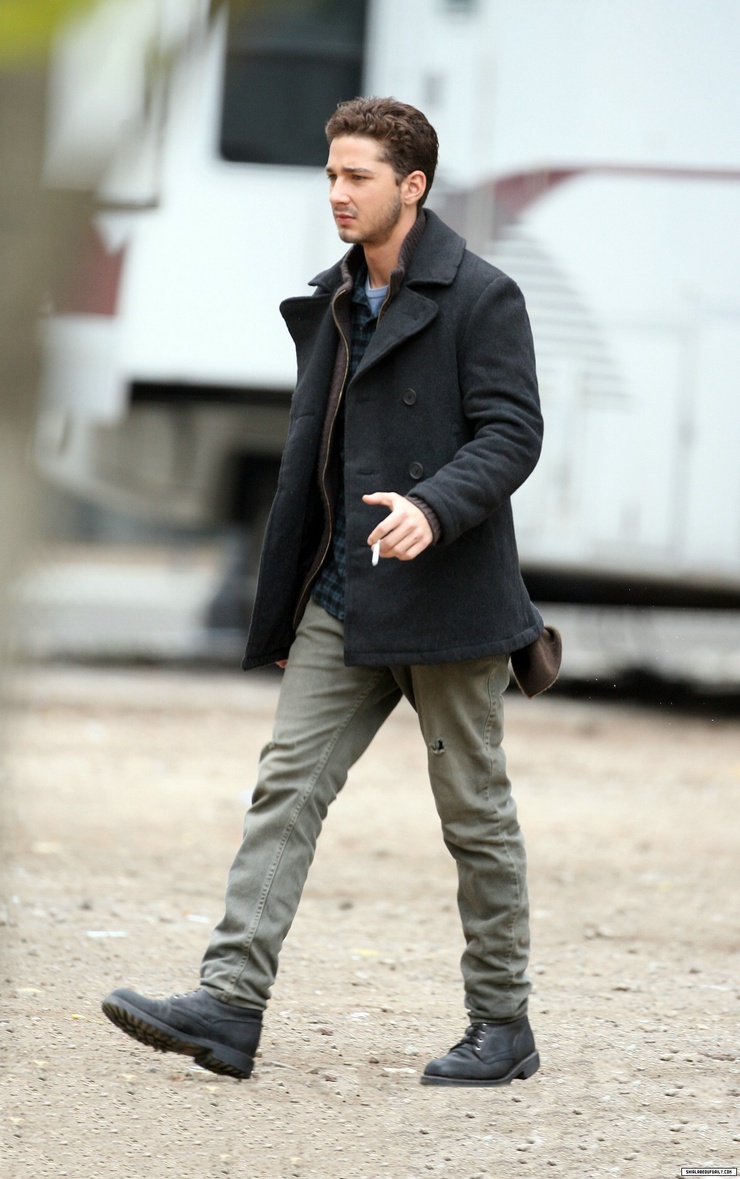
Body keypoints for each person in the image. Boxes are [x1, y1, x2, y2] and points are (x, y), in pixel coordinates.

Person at [102, 97, 561, 1087]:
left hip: (447, 601)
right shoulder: (334, 299)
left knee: (473, 813)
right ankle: (228, 1004)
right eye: (330, 176)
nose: (337, 194)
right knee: (286, 788)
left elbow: (513, 432)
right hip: (342, 596)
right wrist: (287, 600)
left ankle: (501, 1023)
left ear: (412, 186)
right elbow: (315, 463)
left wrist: (435, 506)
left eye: (357, 177)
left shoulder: (483, 296)